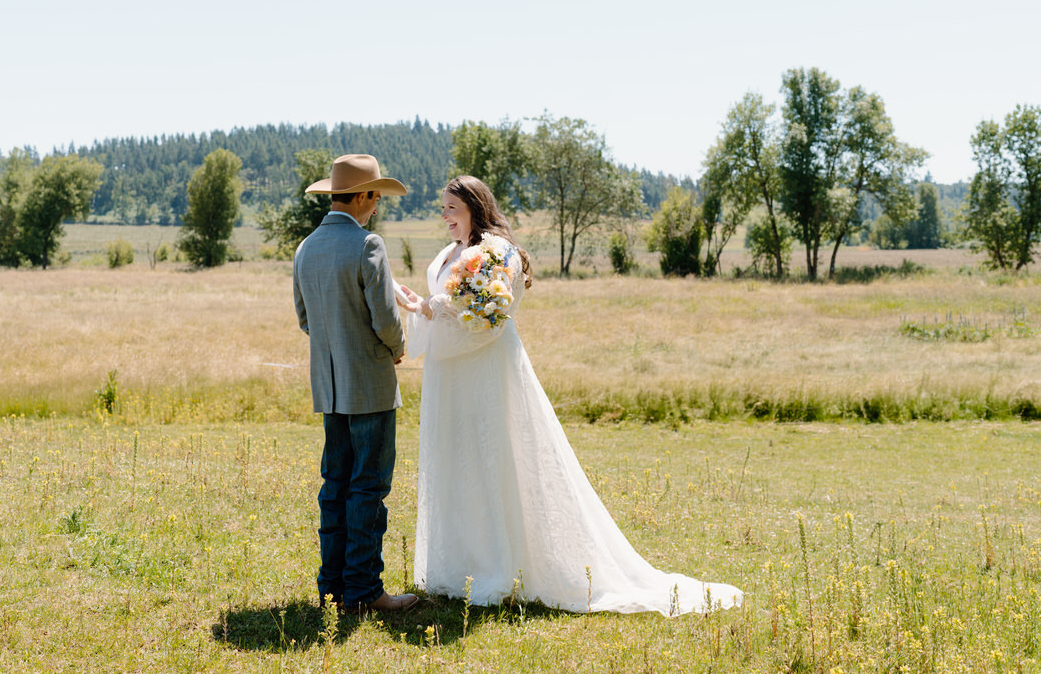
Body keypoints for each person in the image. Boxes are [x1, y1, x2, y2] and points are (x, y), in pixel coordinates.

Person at [396, 176, 742, 615]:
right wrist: (421, 304)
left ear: (474, 207)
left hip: (485, 370)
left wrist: (428, 306)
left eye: (450, 208)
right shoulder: (451, 253)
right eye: (442, 207)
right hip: (450, 372)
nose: (443, 215)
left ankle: (498, 566)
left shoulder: (495, 253)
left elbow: (488, 311)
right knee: (457, 455)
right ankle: (457, 565)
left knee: (493, 455)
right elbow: (449, 303)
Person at [293, 154, 419, 613]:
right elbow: (386, 319)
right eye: (378, 196)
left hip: (328, 388)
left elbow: (306, 319)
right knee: (368, 488)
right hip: (368, 383)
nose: (378, 204)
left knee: (335, 485)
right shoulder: (368, 245)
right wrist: (396, 348)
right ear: (364, 196)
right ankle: (365, 590)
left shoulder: (306, 248)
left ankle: (332, 588)